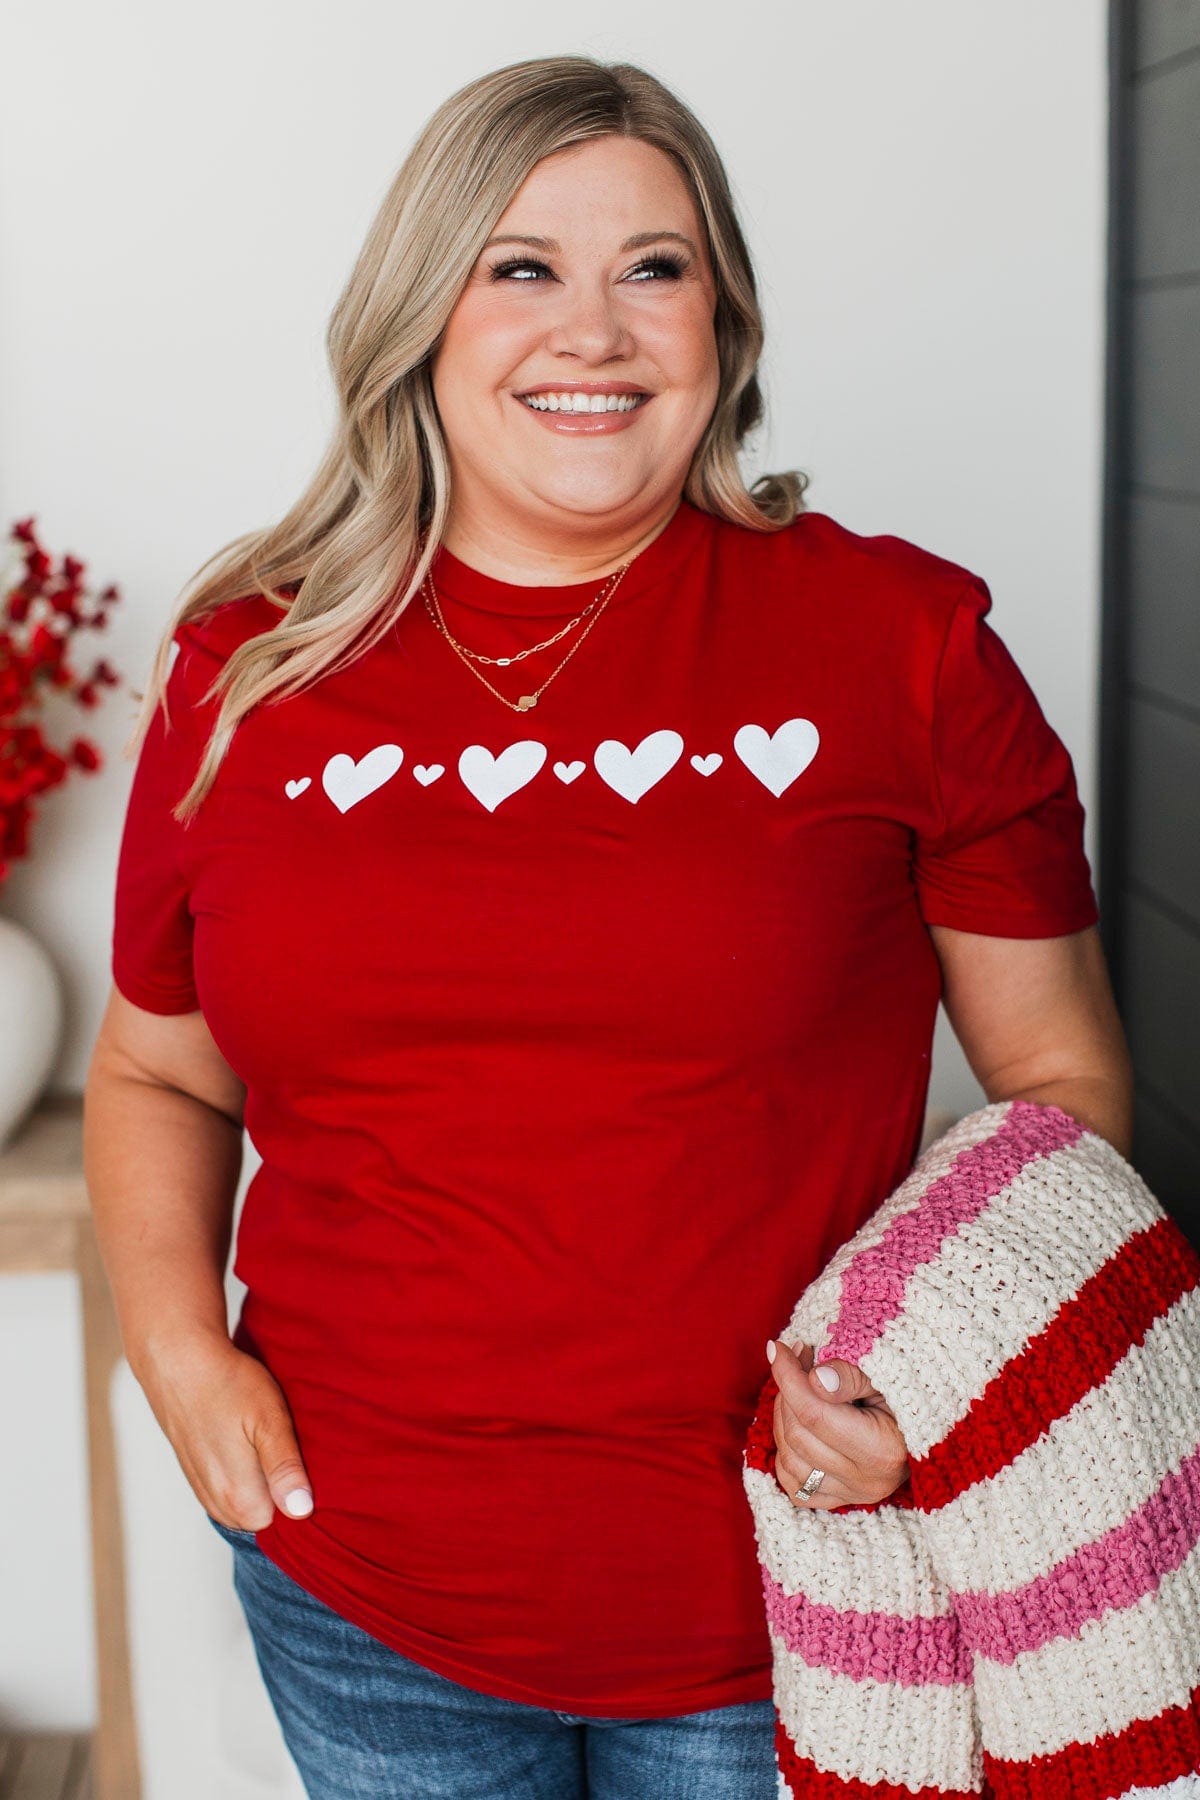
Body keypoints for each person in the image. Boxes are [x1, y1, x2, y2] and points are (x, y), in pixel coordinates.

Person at [83, 52, 1134, 1800]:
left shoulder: (905, 646)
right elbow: (158, 1072)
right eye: (522, 267)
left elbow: (1060, 1096)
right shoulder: (248, 669)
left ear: (725, 320)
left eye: (656, 267)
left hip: (798, 1595)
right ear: (423, 312)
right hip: (362, 1595)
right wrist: (177, 1351)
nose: (595, 329)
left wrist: (931, 1382)